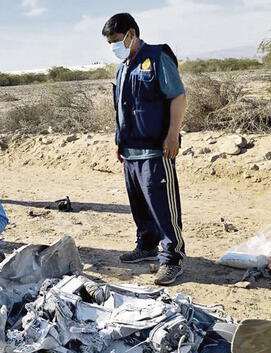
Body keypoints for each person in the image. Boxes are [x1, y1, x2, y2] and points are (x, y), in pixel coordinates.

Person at [102, 13, 187, 285]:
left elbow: (177, 96)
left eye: (116, 40)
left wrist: (173, 134)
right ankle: (147, 245)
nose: (114, 47)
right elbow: (121, 108)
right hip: (130, 150)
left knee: (162, 205)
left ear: (131, 34)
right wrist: (119, 141)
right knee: (139, 205)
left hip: (155, 149)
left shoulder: (157, 57)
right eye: (110, 43)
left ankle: (172, 258)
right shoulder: (123, 66)